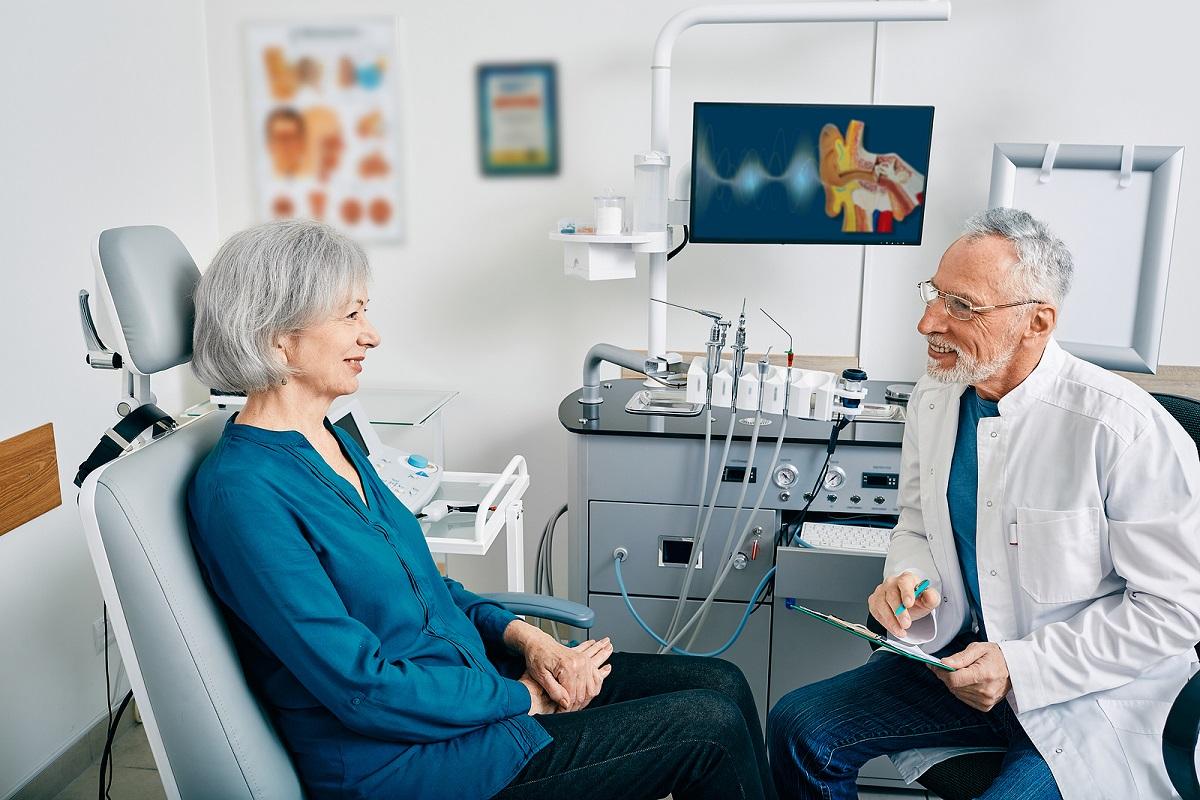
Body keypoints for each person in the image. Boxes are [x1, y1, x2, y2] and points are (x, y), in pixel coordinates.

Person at [187, 219, 775, 800]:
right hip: (413, 765)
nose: (372, 335)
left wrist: (529, 641)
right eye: (350, 315)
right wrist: (525, 697)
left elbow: (427, 589)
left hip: (473, 694)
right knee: (709, 730)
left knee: (720, 681)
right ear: (277, 337)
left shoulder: (330, 437)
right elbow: (362, 688)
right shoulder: (243, 493)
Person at [767, 207, 1200, 800]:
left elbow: (1175, 611)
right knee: (800, 727)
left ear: (1037, 321)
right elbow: (917, 522)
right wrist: (908, 580)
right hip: (960, 669)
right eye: (934, 294)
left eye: (961, 306)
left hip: (1089, 692)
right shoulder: (936, 397)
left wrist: (1021, 667)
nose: (926, 322)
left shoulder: (1122, 429)